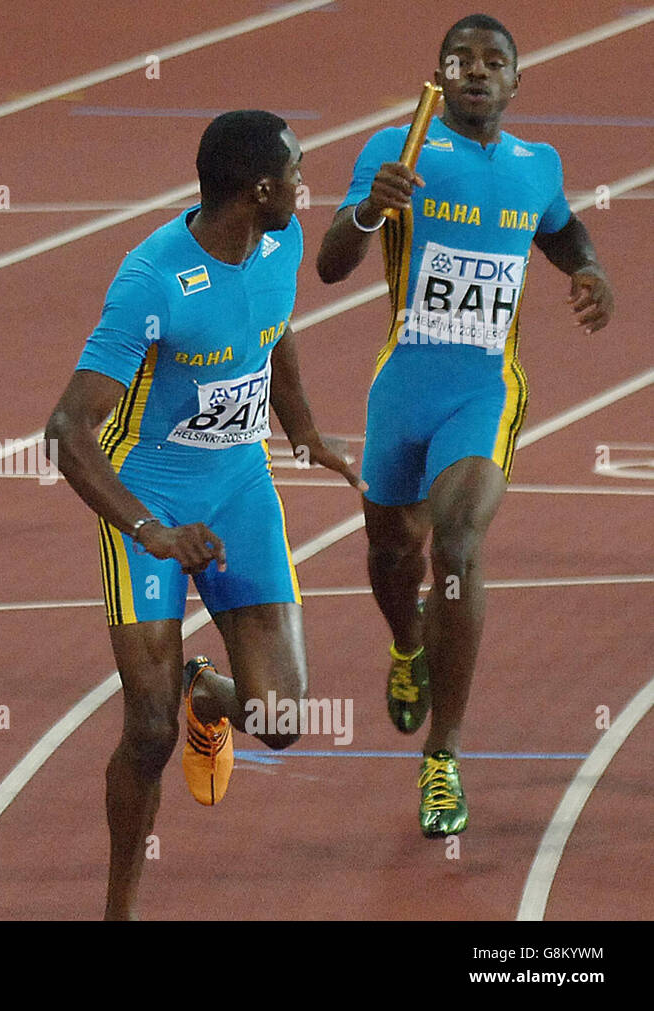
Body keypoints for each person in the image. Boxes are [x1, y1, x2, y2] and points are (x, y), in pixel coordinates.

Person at [46, 111, 361, 920]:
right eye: (297, 171)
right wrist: (149, 530)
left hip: (239, 490)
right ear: (261, 190)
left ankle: (207, 695)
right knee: (147, 733)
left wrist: (303, 429)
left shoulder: (281, 242)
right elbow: (66, 431)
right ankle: (120, 908)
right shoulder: (152, 280)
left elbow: (273, 330)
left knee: (283, 718)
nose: (305, 184)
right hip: (152, 495)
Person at [315, 14, 614, 837]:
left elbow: (560, 228)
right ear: (439, 77)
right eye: (462, 60)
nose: (477, 72)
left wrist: (588, 269)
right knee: (389, 552)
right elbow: (331, 264)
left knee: (457, 543)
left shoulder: (536, 165)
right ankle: (407, 646)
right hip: (402, 389)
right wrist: (373, 209)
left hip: (485, 390)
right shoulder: (397, 150)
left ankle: (443, 755)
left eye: (494, 63)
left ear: (517, 83)